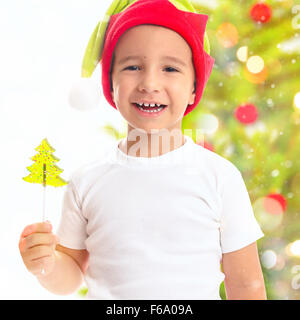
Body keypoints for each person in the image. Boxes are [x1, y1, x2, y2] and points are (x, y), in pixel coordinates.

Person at [19, 0, 266, 300]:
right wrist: (46, 264)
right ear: (110, 83)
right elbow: (70, 276)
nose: (150, 82)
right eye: (133, 66)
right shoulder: (86, 182)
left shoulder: (219, 177)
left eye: (170, 68)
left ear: (193, 88)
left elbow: (247, 285)